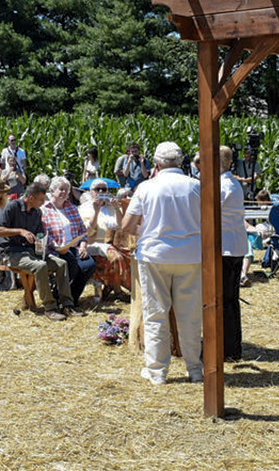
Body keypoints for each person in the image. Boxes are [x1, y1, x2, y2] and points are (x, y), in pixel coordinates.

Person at [119, 141, 202, 385]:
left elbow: (126, 225)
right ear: (180, 162)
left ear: (156, 164)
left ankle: (157, 371)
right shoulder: (196, 186)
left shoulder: (146, 187)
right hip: (190, 255)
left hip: (155, 255)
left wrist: (148, 229)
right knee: (190, 314)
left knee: (155, 314)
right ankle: (195, 368)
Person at [0, 182, 76, 320]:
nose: (43, 203)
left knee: (61, 264)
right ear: (31, 198)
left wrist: (42, 242)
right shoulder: (13, 207)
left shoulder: (37, 212)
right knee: (40, 266)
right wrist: (20, 231)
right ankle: (50, 308)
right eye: (41, 200)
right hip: (12, 252)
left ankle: (67, 304)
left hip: (32, 252)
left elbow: (39, 235)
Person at [41, 177, 95, 307]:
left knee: (89, 265)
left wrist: (83, 245)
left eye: (67, 190)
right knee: (72, 265)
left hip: (74, 246)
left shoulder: (71, 208)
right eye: (61, 189)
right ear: (52, 190)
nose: (64, 192)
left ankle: (72, 297)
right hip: (55, 249)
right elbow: (43, 234)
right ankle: (58, 296)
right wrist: (56, 246)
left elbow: (82, 230)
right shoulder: (44, 210)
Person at [217, 146, 248, 360]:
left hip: (226, 248)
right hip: (236, 246)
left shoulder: (221, 186)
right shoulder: (233, 183)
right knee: (231, 300)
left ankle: (228, 348)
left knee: (225, 300)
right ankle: (232, 347)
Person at [79, 179, 131, 300]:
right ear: (92, 192)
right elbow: (88, 232)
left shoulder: (111, 208)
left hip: (112, 242)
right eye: (98, 189)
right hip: (94, 243)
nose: (101, 191)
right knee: (116, 257)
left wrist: (117, 208)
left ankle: (110, 287)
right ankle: (117, 290)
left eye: (104, 189)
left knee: (130, 255)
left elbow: (120, 226)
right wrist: (96, 212)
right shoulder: (84, 208)